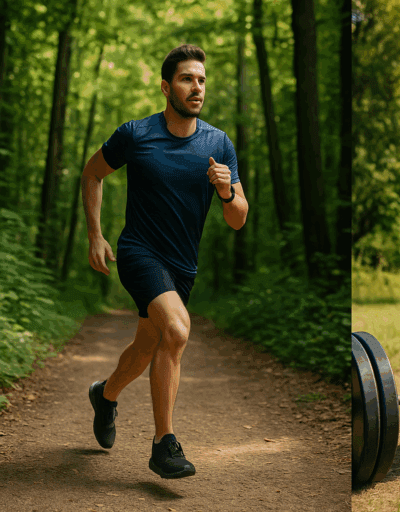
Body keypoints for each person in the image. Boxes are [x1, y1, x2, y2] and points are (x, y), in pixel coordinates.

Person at [81, 44, 248, 479]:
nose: (197, 87)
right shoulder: (136, 134)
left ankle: (106, 394)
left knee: (147, 347)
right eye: (187, 79)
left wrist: (227, 191)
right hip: (138, 252)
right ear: (165, 86)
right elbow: (92, 173)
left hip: (182, 267)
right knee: (176, 328)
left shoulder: (218, 143)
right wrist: (95, 235)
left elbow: (237, 219)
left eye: (202, 80)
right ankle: (163, 444)